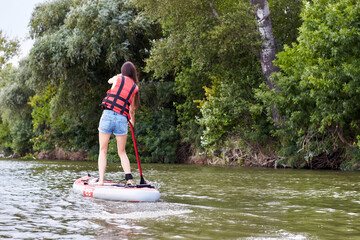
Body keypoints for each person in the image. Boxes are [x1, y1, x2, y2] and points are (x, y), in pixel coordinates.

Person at [97, 61, 140, 186]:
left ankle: (100, 181)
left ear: (123, 71)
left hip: (108, 115)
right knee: (122, 152)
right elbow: (131, 110)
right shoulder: (134, 87)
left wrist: (118, 75)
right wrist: (132, 122)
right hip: (122, 118)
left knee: (103, 150)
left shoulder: (117, 78)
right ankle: (130, 181)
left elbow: (109, 81)